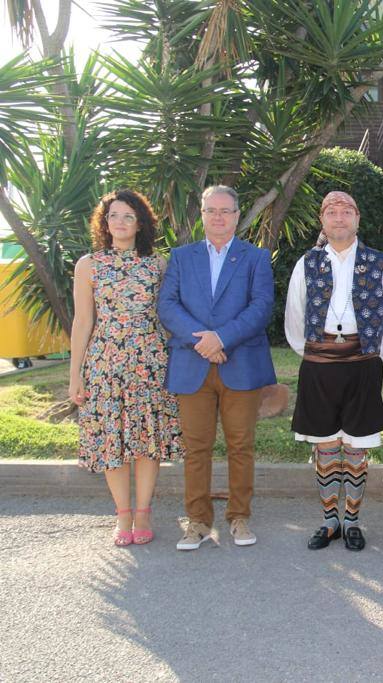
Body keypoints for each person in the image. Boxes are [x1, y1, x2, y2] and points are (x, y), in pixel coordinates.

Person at [284, 191, 383, 551]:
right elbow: (295, 313)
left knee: (355, 448)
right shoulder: (307, 263)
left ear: (357, 219)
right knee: (325, 446)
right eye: (332, 212)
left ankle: (352, 520)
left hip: (362, 363)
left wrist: (371, 356)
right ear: (322, 221)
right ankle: (329, 522)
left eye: (346, 211)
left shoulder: (378, 262)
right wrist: (313, 351)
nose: (339, 218)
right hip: (318, 364)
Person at [158, 185, 276, 551]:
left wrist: (221, 339)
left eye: (226, 210)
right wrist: (203, 342)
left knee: (241, 445)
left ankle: (239, 518)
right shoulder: (181, 257)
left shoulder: (255, 258)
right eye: (212, 210)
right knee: (197, 447)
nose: (219, 217)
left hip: (240, 364)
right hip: (193, 365)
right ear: (203, 216)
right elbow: (168, 306)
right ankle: (196, 522)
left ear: (238, 215)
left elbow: (261, 308)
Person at [71, 190, 184, 546]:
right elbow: (83, 321)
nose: (119, 222)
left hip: (149, 363)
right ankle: (122, 514)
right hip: (105, 364)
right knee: (113, 442)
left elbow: (167, 318)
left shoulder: (157, 264)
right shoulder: (89, 264)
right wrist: (75, 373)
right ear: (104, 223)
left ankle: (143, 512)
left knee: (147, 440)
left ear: (141, 223)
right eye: (113, 216)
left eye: (127, 216)